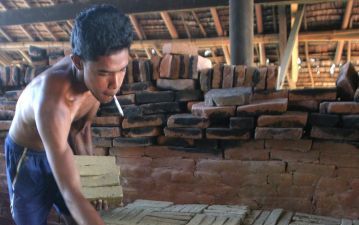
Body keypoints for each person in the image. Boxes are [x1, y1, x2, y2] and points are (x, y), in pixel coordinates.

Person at [5, 4, 133, 225]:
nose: (115, 84)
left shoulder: (97, 85)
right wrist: (79, 190)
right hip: (28, 158)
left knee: (77, 216)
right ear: (78, 62)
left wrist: (93, 179)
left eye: (122, 69)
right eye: (105, 73)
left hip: (61, 146)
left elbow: (80, 130)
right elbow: (71, 193)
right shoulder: (53, 101)